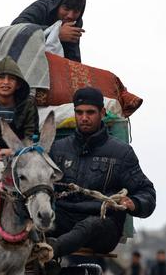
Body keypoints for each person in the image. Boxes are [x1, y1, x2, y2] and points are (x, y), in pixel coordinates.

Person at [47, 87, 156, 258]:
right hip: (64, 220)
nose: (84, 118)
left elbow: (147, 193)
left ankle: (50, 251)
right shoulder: (58, 149)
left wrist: (134, 203)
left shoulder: (121, 153)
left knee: (91, 225)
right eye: (79, 112)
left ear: (102, 113)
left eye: (90, 112)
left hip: (104, 225)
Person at [12, 0, 86, 62]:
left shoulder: (75, 22)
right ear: (57, 4)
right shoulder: (41, 8)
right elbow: (16, 27)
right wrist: (56, 33)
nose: (70, 16)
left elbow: (73, 57)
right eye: (66, 9)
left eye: (76, 11)